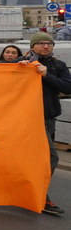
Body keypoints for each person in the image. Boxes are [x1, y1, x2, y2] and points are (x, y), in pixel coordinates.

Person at [21, 32, 71, 215]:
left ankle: (32, 191)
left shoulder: (58, 65)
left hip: (48, 117)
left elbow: (67, 87)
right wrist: (19, 69)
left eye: (49, 43)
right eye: (41, 43)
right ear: (32, 46)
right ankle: (40, 195)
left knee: (39, 158)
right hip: (26, 119)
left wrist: (46, 74)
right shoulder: (22, 63)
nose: (45, 46)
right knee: (50, 157)